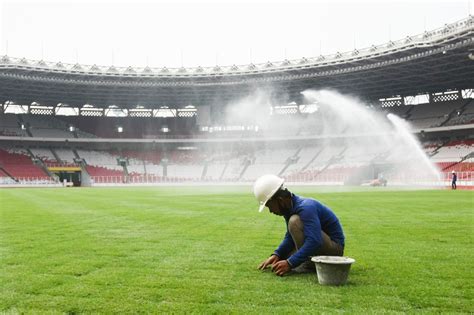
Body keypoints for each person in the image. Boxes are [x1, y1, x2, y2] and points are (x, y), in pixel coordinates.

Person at [254, 174, 345, 276]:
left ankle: (308, 265)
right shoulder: (289, 208)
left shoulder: (306, 207)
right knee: (283, 258)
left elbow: (315, 241)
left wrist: (290, 263)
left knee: (294, 221)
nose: (270, 211)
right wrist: (277, 254)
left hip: (334, 250)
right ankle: (307, 261)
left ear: (280, 200)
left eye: (269, 206)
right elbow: (290, 237)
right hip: (322, 244)